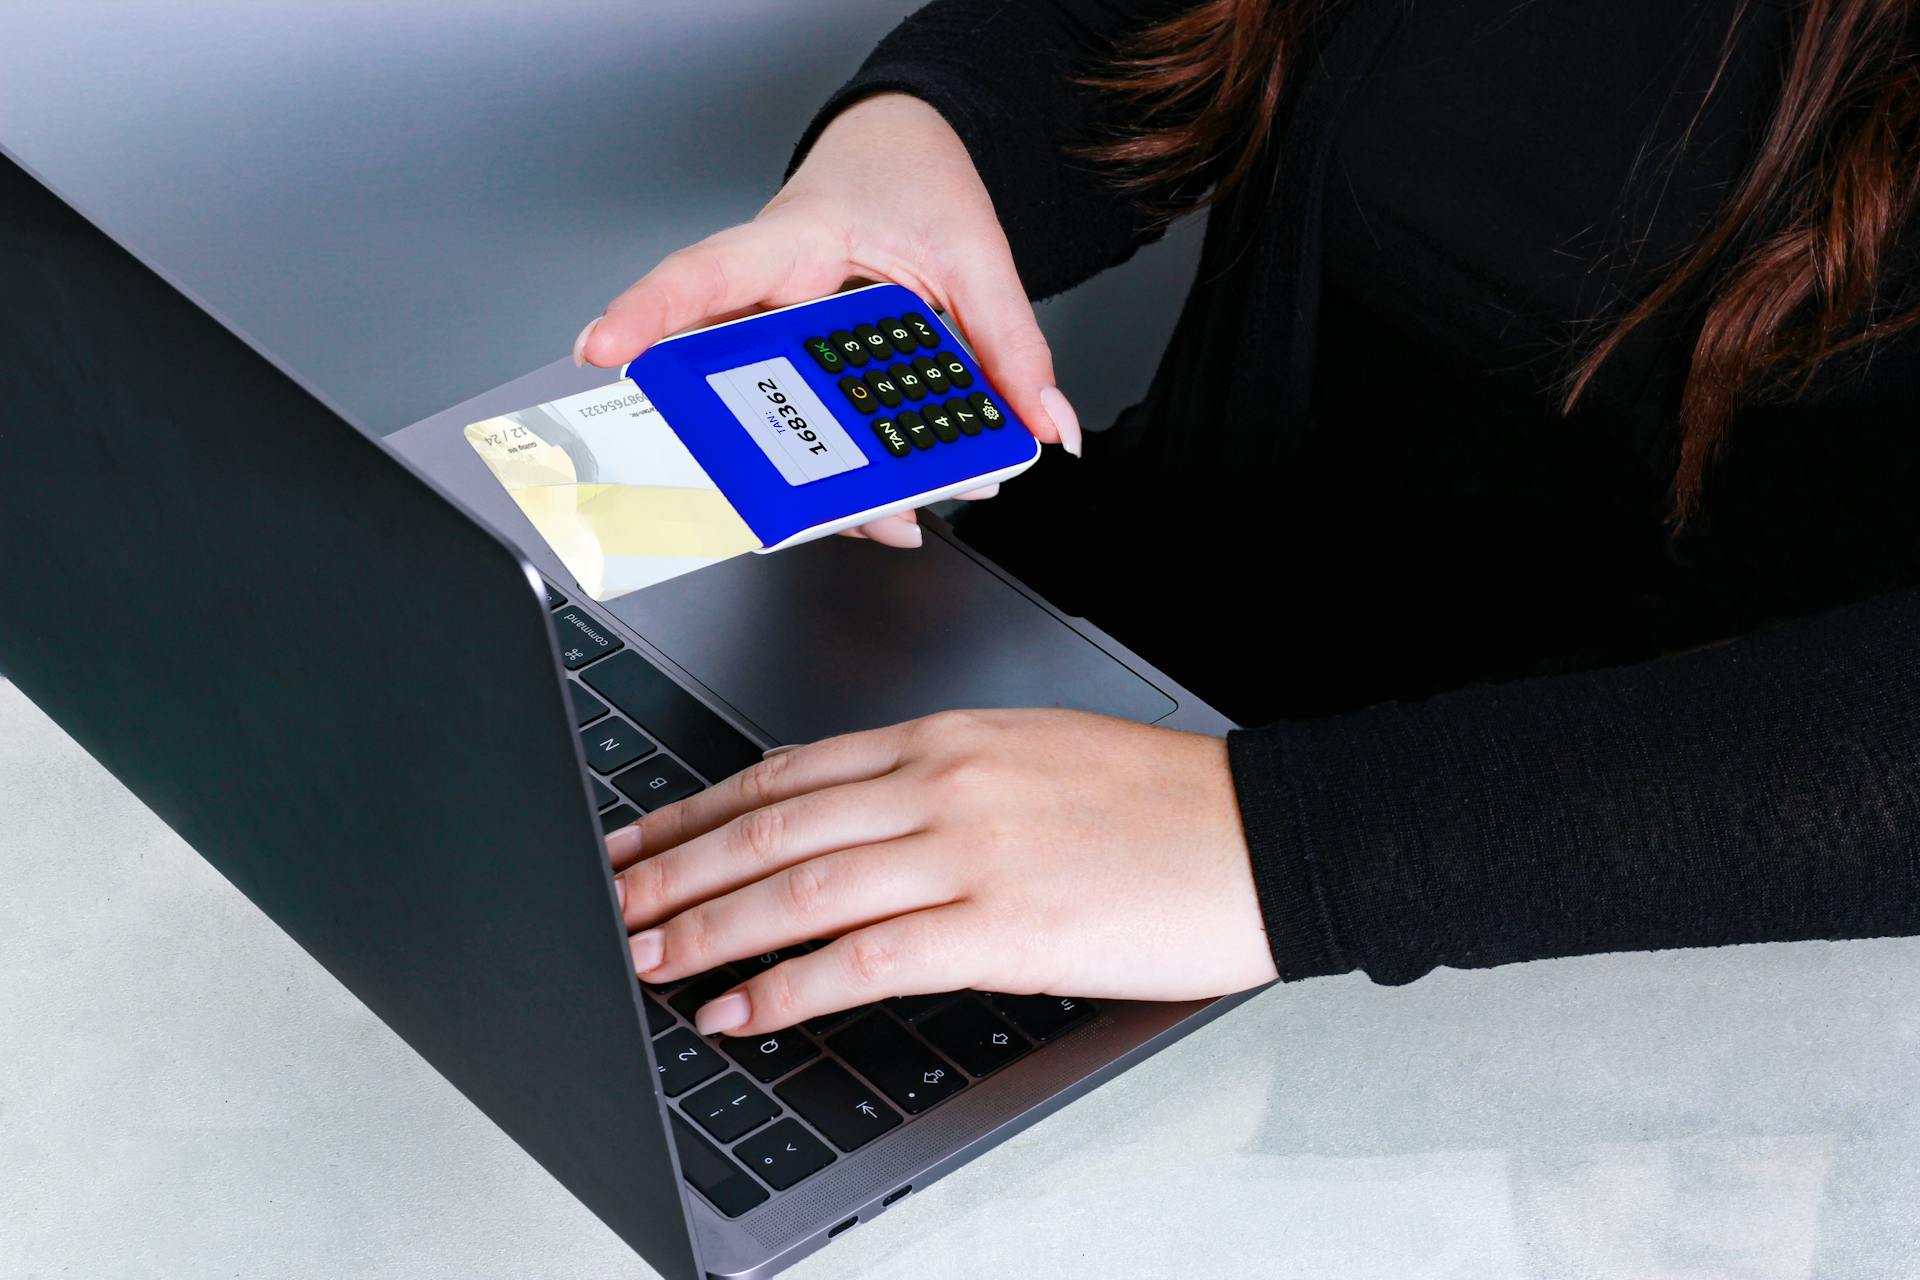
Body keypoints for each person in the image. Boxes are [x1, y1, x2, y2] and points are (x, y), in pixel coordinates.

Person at [572, 0, 1920, 1039]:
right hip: (1103, 704)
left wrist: (1269, 845)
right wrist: (914, 156)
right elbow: (1127, 32)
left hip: (1602, 931)